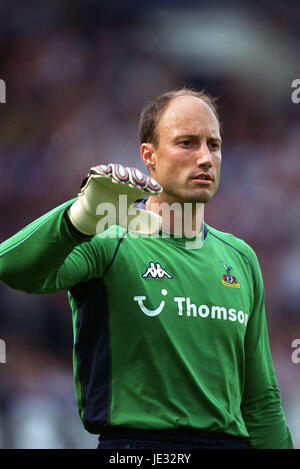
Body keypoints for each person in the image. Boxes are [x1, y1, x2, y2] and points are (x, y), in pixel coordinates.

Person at [0, 88, 294, 450]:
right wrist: (78, 217)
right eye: (187, 143)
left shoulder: (241, 257)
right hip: (139, 450)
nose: (205, 157)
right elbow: (12, 267)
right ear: (149, 155)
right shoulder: (110, 239)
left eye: (213, 145)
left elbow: (261, 401)